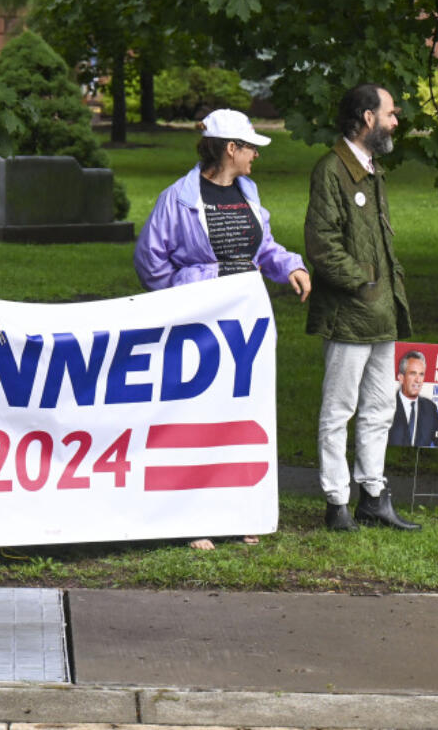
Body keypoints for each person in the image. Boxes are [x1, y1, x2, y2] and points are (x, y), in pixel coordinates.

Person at [134, 108, 310, 551]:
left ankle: (239, 512)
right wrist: (186, 296)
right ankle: (194, 518)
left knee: (242, 415)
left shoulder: (248, 190)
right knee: (197, 418)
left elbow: (264, 247)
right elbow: (150, 260)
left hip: (244, 321)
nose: (255, 156)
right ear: (230, 149)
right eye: (250, 147)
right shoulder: (177, 198)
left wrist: (290, 266)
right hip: (199, 325)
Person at [305, 84, 419, 532]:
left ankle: (373, 496)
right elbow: (321, 243)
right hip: (351, 313)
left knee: (379, 409)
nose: (396, 121)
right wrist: (364, 283)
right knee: (338, 410)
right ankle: (337, 503)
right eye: (391, 113)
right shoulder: (332, 170)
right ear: (367, 118)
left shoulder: (372, 169)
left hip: (381, 312)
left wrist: (380, 291)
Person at [388, 350, 438, 448]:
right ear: (401, 378)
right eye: (413, 373)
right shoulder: (387, 404)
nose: (418, 380)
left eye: (421, 374)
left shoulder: (429, 408)